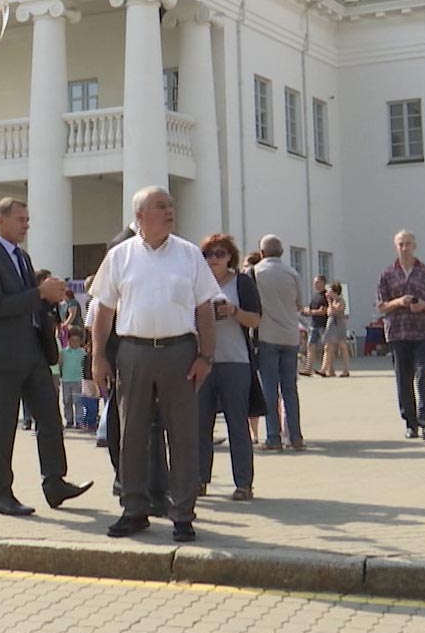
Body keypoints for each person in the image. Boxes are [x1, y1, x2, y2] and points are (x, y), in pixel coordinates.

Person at [90, 187, 221, 543]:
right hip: (133, 352)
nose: (169, 210)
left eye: (171, 205)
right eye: (160, 206)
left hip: (180, 352)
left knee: (183, 435)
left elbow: (205, 309)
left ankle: (182, 513)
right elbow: (103, 311)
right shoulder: (120, 257)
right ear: (140, 217)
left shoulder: (190, 255)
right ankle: (134, 509)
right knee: (130, 433)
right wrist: (99, 356)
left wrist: (206, 356)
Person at [0, 197, 92, 516]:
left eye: (27, 219)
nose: (26, 224)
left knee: (50, 417)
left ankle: (55, 481)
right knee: (4, 423)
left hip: (34, 350)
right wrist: (38, 293)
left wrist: (50, 299)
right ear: (0, 220)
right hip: (6, 353)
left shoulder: (22, 257)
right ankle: (0, 491)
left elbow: (28, 303)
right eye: (20, 219)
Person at [197, 232, 260, 501]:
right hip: (203, 361)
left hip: (236, 361)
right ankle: (199, 480)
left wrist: (233, 311)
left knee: (237, 423)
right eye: (209, 254)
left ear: (230, 258)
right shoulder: (197, 284)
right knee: (200, 425)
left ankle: (243, 483)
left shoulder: (242, 283)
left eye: (220, 254)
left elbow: (255, 320)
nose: (214, 259)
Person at [376, 230, 425, 439]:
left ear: (415, 246)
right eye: (400, 244)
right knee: (403, 378)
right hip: (398, 332)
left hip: (422, 332)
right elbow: (380, 306)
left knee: (422, 374)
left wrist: (422, 305)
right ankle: (410, 423)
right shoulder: (387, 274)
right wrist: (399, 302)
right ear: (395, 247)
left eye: (408, 244)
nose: (404, 248)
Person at [250, 234, 306, 452]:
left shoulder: (256, 272)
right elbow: (300, 305)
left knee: (270, 390)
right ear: (282, 252)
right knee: (290, 389)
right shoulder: (292, 273)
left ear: (262, 252)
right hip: (290, 336)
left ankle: (273, 437)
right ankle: (295, 436)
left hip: (267, 336)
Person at [301, 277, 329, 376]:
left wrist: (311, 312)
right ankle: (308, 368)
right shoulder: (314, 295)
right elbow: (310, 308)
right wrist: (304, 310)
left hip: (323, 325)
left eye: (317, 282)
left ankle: (327, 369)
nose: (315, 284)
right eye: (314, 283)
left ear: (323, 283)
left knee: (327, 347)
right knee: (310, 345)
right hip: (314, 325)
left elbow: (323, 311)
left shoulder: (326, 296)